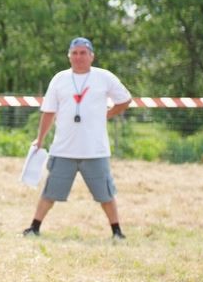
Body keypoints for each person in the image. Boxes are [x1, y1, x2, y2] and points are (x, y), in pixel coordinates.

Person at [23, 37, 132, 239]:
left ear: (91, 56)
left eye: (83, 53)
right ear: (69, 56)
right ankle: (34, 227)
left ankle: (117, 231)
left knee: (106, 194)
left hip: (95, 150)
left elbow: (125, 100)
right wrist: (40, 139)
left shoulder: (104, 77)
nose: (78, 57)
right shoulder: (59, 79)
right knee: (49, 192)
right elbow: (48, 111)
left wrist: (107, 114)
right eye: (74, 53)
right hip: (63, 149)